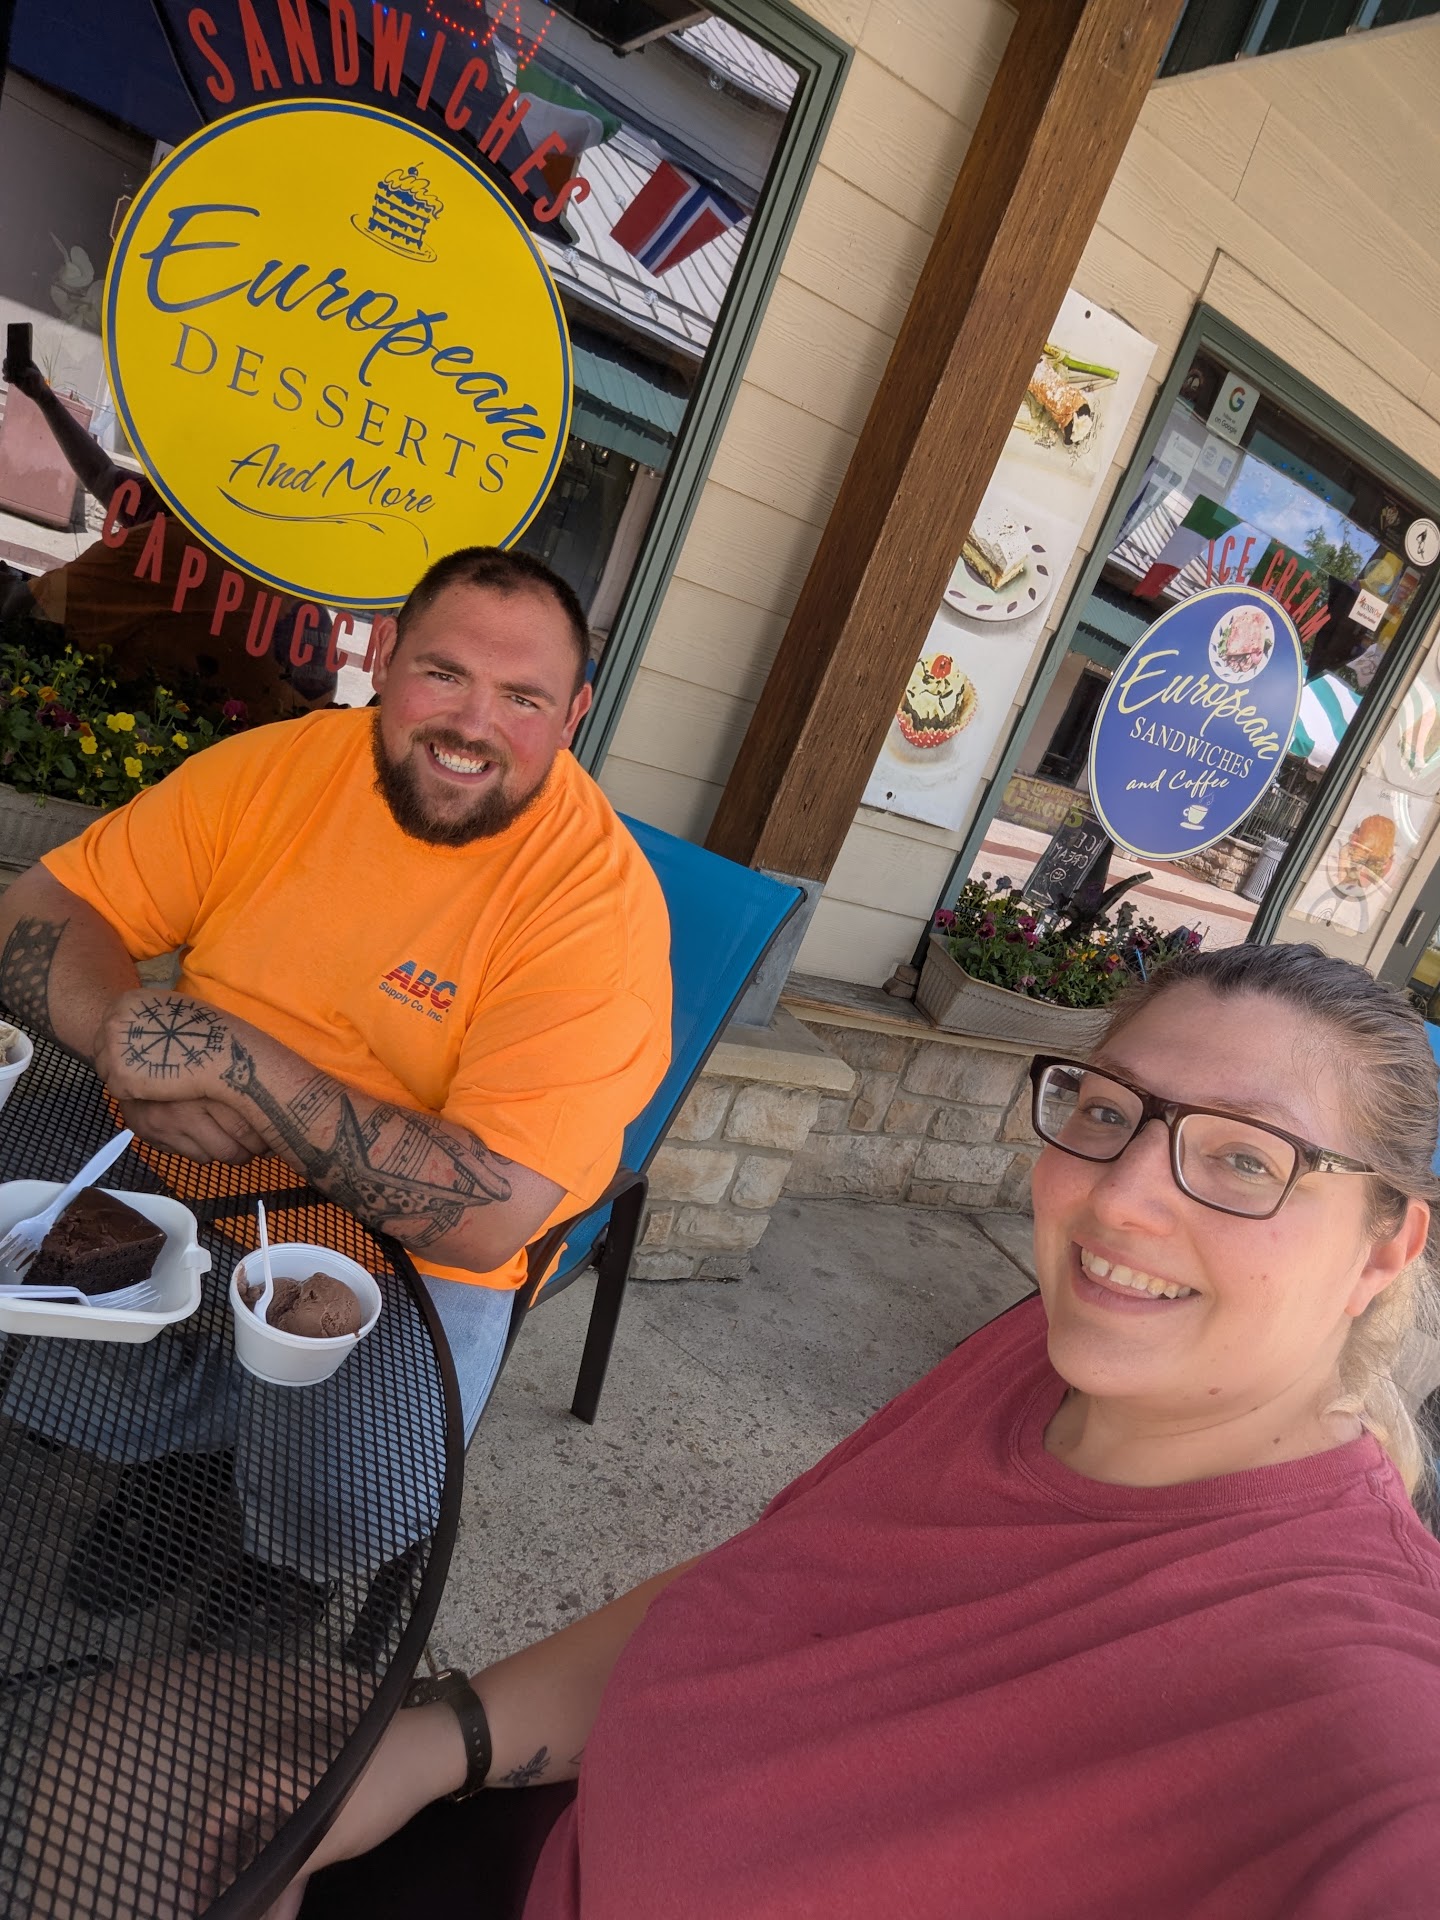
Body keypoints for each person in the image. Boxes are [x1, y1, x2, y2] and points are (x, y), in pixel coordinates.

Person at [262, 942, 1440, 1920]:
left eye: (1245, 1159)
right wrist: (436, 1747)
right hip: (528, 1841)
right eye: (1107, 1110)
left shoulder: (1352, 1705)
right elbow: (757, 1597)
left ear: (1386, 1248)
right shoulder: (1038, 1351)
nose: (1120, 1197)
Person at [0, 545, 671, 1591]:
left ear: (574, 713)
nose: (473, 726)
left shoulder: (597, 906)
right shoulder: (282, 766)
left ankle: (278, 1541)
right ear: (386, 654)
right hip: (163, 1143)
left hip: (402, 1255)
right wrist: (123, 1034)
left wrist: (231, 1063)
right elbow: (42, 907)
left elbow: (489, 1212)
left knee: (359, 1500)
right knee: (33, 1305)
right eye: (444, 673)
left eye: (524, 698)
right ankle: (191, 1455)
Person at [0, 346, 335, 717]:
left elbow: (28, 610)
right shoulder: (281, 559)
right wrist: (45, 398)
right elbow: (103, 476)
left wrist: (9, 585)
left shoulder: (171, 548)